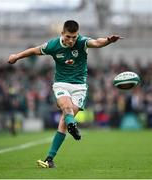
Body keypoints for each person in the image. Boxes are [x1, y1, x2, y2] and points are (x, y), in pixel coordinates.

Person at [8, 20, 123, 168]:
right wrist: (16, 56)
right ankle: (72, 126)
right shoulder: (53, 45)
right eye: (68, 36)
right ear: (62, 33)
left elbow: (97, 43)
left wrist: (108, 40)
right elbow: (34, 50)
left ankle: (49, 159)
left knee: (64, 121)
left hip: (80, 87)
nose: (71, 40)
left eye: (74, 37)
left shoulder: (82, 42)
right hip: (61, 84)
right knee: (66, 108)